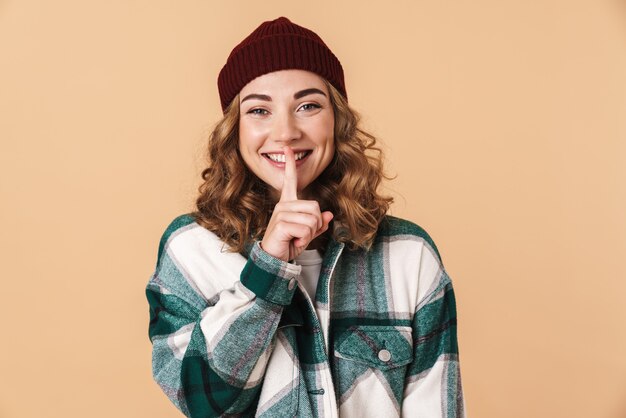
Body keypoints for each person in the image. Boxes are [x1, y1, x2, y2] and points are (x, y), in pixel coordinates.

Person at [146, 16, 465, 418]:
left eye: (308, 106)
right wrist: (269, 268)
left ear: (338, 120)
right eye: (259, 110)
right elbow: (203, 403)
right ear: (234, 130)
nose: (285, 132)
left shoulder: (408, 255)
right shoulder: (191, 250)